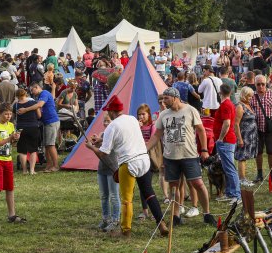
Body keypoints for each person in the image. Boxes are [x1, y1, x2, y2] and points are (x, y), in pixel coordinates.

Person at [85, 96, 168, 238]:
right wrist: (102, 139)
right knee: (149, 194)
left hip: (129, 163)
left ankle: (125, 231)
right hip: (144, 160)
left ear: (112, 111)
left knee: (126, 199)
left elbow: (104, 153)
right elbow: (123, 135)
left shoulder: (112, 126)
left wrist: (91, 147)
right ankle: (162, 225)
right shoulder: (132, 119)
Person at [146, 87, 217, 227]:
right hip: (171, 157)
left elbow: (201, 131)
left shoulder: (190, 110)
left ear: (175, 97)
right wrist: (145, 149)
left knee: (198, 183)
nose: (164, 101)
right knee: (174, 187)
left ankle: (207, 213)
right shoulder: (164, 115)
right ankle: (176, 215)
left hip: (189, 155)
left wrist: (204, 150)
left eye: (166, 98)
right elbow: (157, 135)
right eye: (163, 98)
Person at [249, 74, 272, 184]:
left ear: (266, 84)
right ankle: (259, 174)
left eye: (262, 84)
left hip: (269, 128)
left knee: (271, 152)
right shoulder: (252, 96)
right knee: (258, 152)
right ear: (255, 85)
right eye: (258, 84)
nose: (260, 86)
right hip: (256, 128)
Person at [90, 113, 120, 231]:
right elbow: (99, 151)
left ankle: (115, 220)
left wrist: (94, 147)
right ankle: (105, 219)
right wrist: (96, 143)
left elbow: (105, 151)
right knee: (104, 196)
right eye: (104, 121)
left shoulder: (115, 135)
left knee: (114, 196)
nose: (106, 123)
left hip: (113, 169)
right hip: (102, 169)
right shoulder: (103, 134)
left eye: (108, 121)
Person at [213, 84, 241, 202]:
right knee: (227, 167)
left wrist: (220, 138)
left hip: (226, 140)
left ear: (220, 93)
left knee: (229, 168)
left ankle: (236, 194)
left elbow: (227, 123)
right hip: (227, 140)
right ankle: (230, 192)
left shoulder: (225, 105)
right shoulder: (228, 104)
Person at [27, 83, 60, 172]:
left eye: (32, 90)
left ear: (36, 87)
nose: (32, 93)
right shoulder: (43, 95)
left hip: (51, 121)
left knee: (50, 144)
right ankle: (49, 165)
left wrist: (25, 109)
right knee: (46, 145)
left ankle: (56, 166)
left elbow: (40, 105)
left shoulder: (44, 93)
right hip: (47, 122)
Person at [234, 87, 258, 187]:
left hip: (251, 136)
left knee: (245, 157)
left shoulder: (248, 105)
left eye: (252, 96)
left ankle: (244, 177)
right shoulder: (240, 106)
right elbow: (236, 124)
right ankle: (242, 179)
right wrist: (239, 139)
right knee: (242, 157)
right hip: (244, 135)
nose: (251, 98)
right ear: (244, 95)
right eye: (249, 96)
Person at [14, 88, 41, 175]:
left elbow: (14, 117)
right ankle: (32, 170)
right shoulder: (33, 103)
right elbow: (39, 115)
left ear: (17, 96)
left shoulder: (16, 105)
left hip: (21, 128)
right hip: (33, 127)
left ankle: (24, 170)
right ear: (26, 94)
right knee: (33, 150)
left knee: (22, 150)